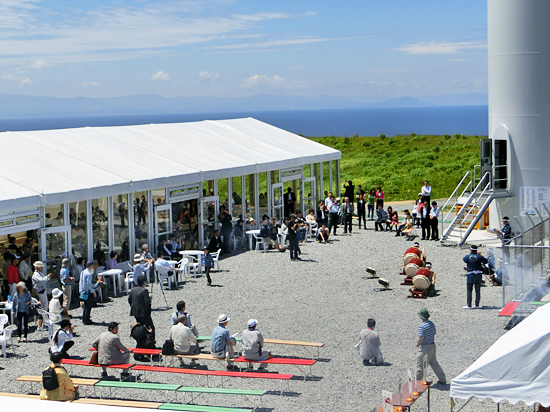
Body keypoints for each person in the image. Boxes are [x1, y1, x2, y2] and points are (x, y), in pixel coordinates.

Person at [415, 308, 445, 384]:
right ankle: (442, 379)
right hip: (432, 345)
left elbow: (421, 338)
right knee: (434, 363)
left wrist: (417, 344)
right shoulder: (431, 323)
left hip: (425, 347)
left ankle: (417, 382)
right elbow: (434, 332)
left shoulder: (422, 326)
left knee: (420, 365)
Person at [33, 261, 52, 330]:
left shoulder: (39, 273)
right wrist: (47, 277)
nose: (41, 268)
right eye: (40, 266)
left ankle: (43, 322)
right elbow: (42, 280)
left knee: (44, 306)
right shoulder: (36, 274)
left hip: (42, 290)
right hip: (40, 291)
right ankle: (41, 324)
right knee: (43, 308)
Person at [79, 260, 97, 325]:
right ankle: (87, 320)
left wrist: (80, 291)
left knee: (85, 307)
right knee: (88, 307)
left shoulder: (83, 272)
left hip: (83, 291)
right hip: (88, 292)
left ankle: (84, 319)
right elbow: (89, 284)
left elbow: (81, 282)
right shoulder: (89, 274)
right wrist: (93, 291)